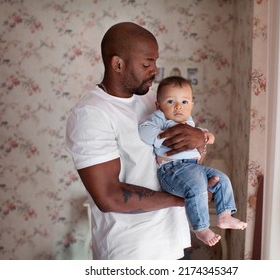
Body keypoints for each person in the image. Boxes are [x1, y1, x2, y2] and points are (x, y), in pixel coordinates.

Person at [65, 22, 217, 260]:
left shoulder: (154, 100)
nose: (155, 70)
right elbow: (109, 196)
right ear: (117, 64)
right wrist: (184, 198)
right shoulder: (92, 114)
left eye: (155, 62)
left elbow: (183, 154)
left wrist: (198, 139)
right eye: (147, 64)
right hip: (132, 252)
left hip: (175, 243)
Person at [139, 76, 247, 247]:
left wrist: (205, 136)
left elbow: (200, 133)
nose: (178, 106)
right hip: (171, 171)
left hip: (194, 167)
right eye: (170, 101)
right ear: (158, 106)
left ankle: (224, 215)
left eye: (184, 101)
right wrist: (165, 138)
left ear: (191, 105)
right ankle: (200, 228)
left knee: (222, 179)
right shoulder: (160, 119)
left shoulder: (188, 122)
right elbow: (144, 131)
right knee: (196, 185)